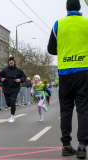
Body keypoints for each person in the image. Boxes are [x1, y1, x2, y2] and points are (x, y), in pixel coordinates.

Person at [48, 0, 88, 157]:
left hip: (65, 72)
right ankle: (83, 146)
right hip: (84, 70)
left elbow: (51, 49)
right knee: (83, 108)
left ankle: (66, 145)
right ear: (79, 8)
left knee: (66, 109)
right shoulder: (86, 23)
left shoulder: (58, 24)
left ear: (66, 8)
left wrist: (65, 49)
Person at [0, 56, 26, 123]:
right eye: (10, 60)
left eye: (12, 60)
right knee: (8, 104)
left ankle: (12, 117)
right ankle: (11, 103)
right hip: (6, 88)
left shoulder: (18, 70)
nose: (11, 61)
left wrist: (20, 79)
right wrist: (1, 79)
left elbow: (24, 77)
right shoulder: (4, 70)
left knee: (12, 102)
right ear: (8, 62)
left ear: (14, 62)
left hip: (15, 88)